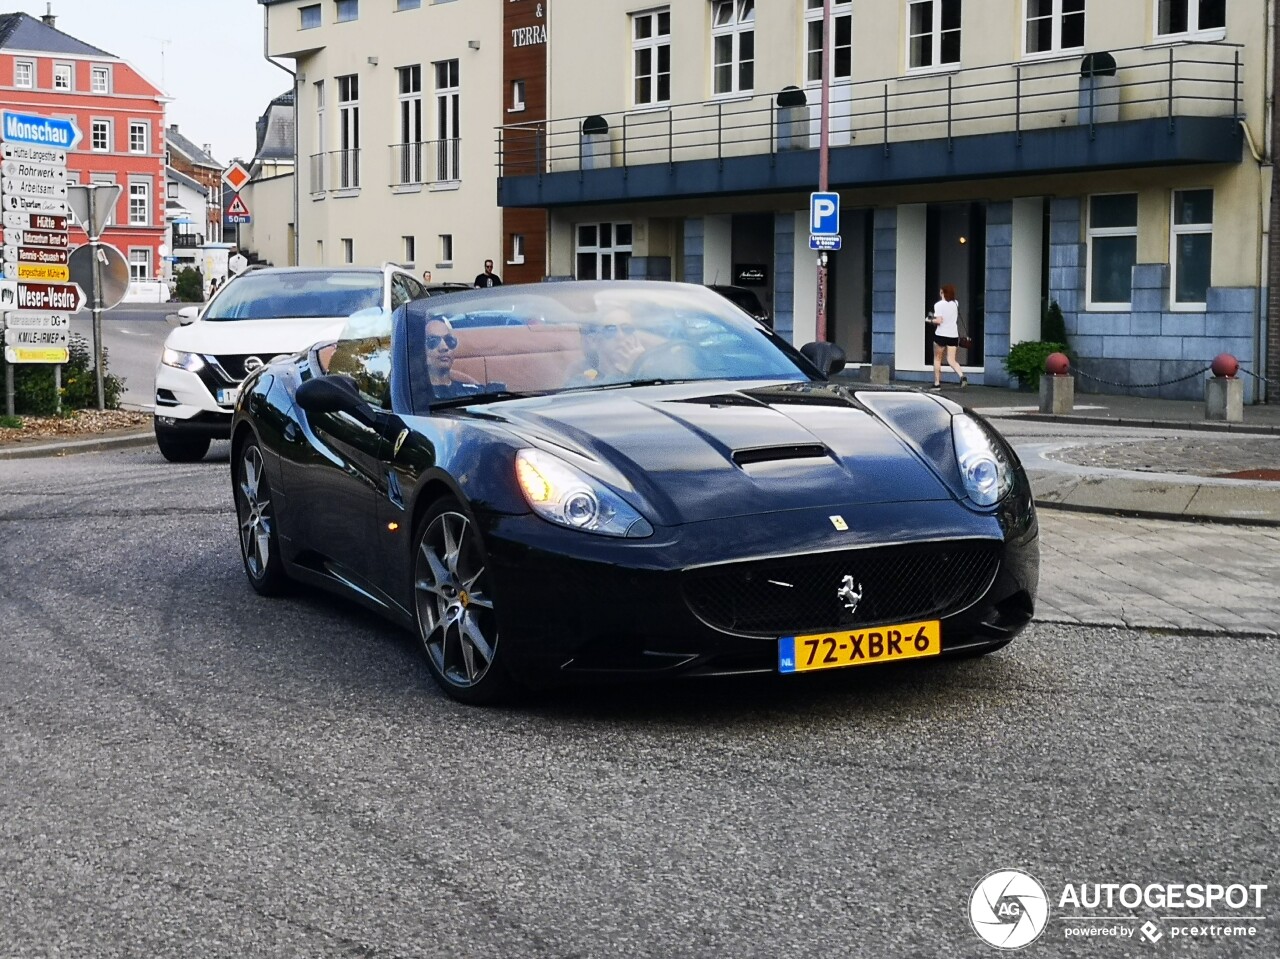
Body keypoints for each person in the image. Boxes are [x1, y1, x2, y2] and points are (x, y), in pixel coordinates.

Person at [425, 317, 483, 399]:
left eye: (449, 340)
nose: (444, 347)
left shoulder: (474, 391)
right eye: (433, 341)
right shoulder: (413, 397)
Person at [928, 284, 968, 390]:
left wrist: (929, 320)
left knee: (937, 359)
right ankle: (962, 376)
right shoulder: (956, 303)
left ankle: (937, 384)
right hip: (953, 335)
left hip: (941, 335)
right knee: (951, 360)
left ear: (942, 293)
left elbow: (939, 321)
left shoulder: (938, 305)